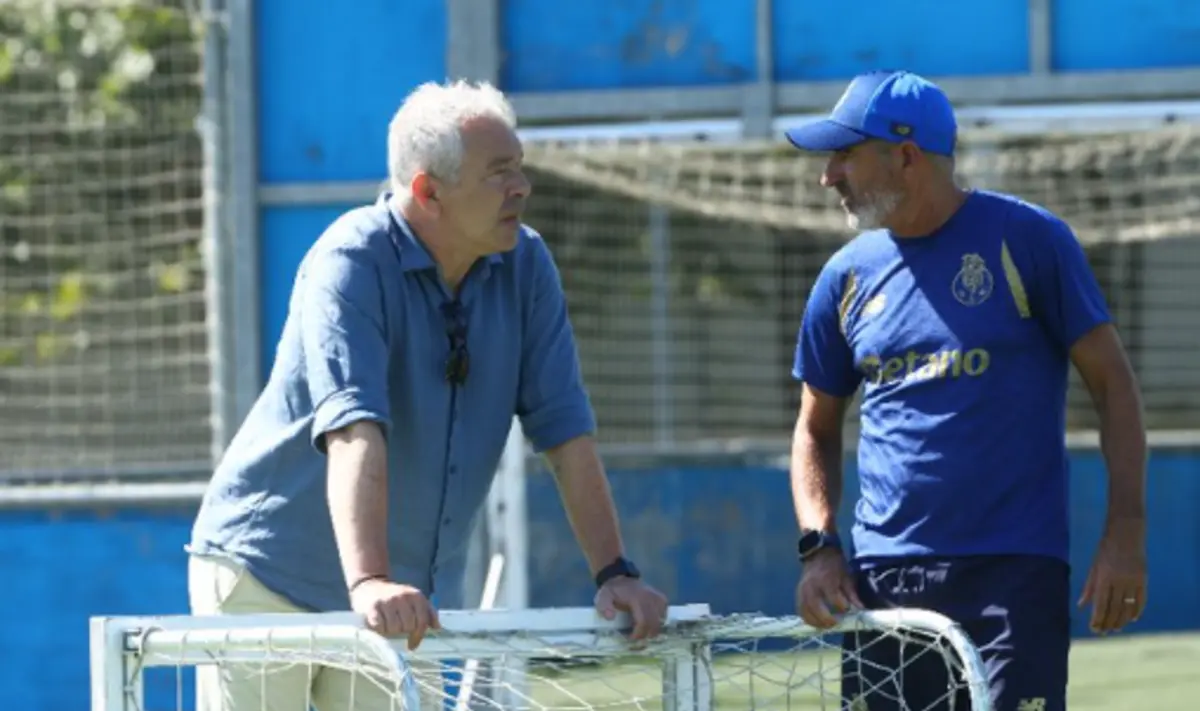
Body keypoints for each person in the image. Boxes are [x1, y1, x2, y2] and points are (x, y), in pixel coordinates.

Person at [186, 79, 669, 711]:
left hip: (401, 600)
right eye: (499, 172)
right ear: (428, 192)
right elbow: (354, 430)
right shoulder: (350, 259)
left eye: (519, 167)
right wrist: (370, 580)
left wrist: (615, 574)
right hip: (268, 577)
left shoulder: (528, 264)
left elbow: (565, 432)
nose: (521, 187)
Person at [783, 70, 1148, 711]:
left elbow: (1113, 386)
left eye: (845, 154)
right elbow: (814, 428)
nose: (828, 175)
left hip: (1012, 573)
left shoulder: (1029, 241)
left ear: (906, 156)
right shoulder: (844, 277)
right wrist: (820, 547)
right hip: (882, 581)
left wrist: (1125, 533)